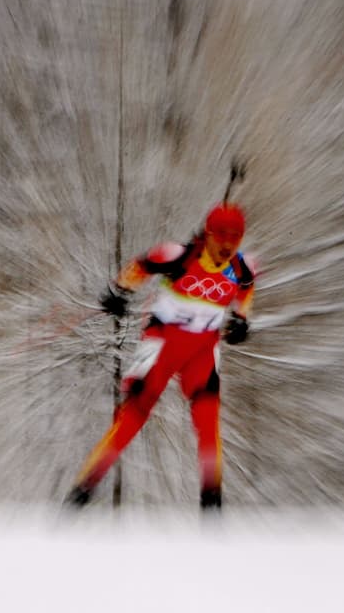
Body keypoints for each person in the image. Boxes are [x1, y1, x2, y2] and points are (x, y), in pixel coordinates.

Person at [65, 202, 255, 511]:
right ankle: (80, 493)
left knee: (208, 424)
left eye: (235, 236)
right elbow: (141, 266)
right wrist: (119, 291)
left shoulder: (241, 267)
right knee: (132, 419)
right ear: (208, 234)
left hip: (202, 351)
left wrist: (242, 320)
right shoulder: (177, 256)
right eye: (221, 235)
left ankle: (212, 507)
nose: (227, 244)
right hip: (163, 344)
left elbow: (246, 288)